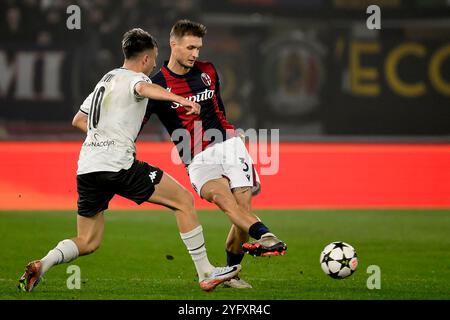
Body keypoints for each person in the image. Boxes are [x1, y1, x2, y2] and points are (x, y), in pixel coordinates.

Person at [18, 28, 241, 293]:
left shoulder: (106, 79)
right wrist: (179, 99)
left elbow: (78, 119)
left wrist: (104, 136)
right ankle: (205, 272)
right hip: (118, 165)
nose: (156, 64)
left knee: (88, 241)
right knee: (183, 200)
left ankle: (43, 264)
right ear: (145, 59)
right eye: (155, 59)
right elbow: (144, 88)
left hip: (88, 167)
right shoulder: (134, 79)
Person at [144, 20, 287, 289]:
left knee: (243, 213)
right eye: (190, 47)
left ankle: (231, 273)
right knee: (224, 202)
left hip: (230, 146)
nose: (195, 54)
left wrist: (235, 135)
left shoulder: (208, 71)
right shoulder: (157, 85)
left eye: (198, 47)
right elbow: (140, 121)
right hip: (195, 157)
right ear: (173, 45)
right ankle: (267, 237)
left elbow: (218, 108)